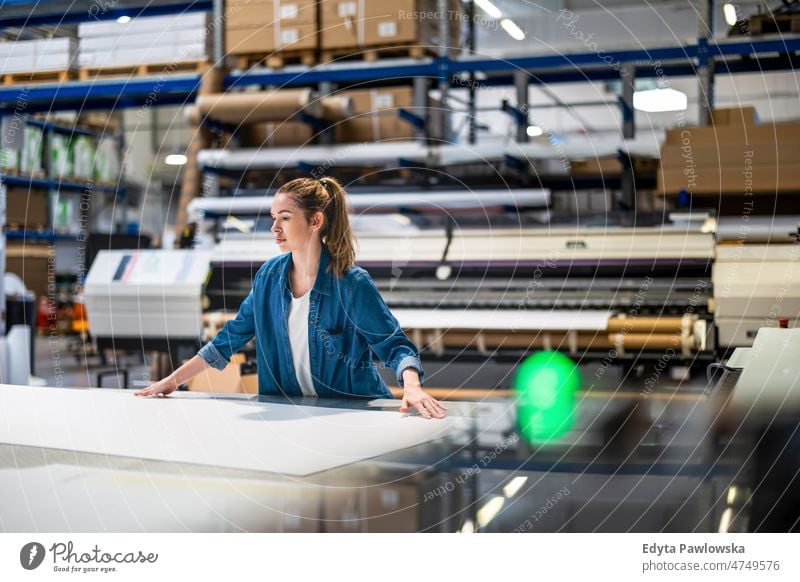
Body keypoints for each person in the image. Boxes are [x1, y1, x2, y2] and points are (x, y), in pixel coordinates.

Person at [135, 177, 447, 419]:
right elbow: (231, 336)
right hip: (289, 410)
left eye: (285, 217)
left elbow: (394, 345)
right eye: (273, 217)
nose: (274, 227)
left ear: (315, 221)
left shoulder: (351, 284)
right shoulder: (268, 278)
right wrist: (173, 381)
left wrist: (413, 387)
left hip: (352, 413)